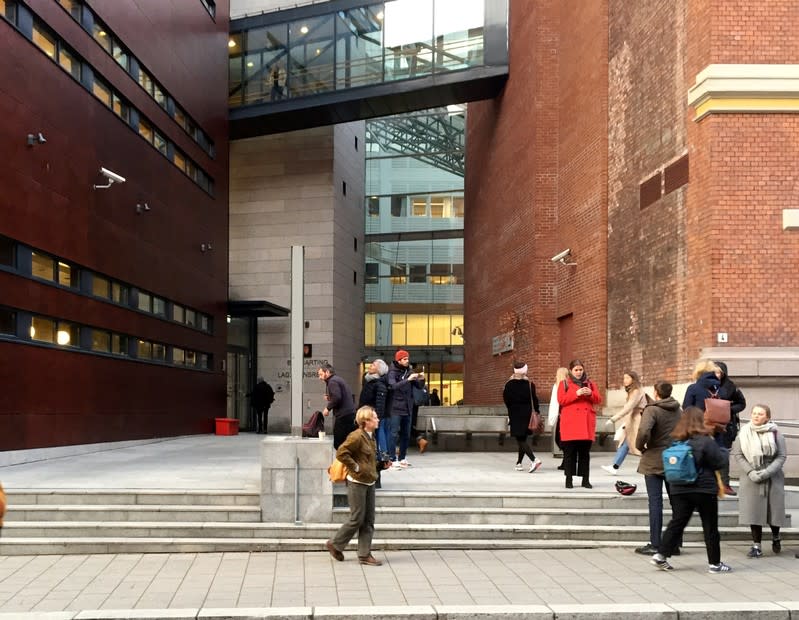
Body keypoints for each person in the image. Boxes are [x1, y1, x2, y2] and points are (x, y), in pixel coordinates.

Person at [650, 407, 731, 573]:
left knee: (677, 522)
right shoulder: (705, 440)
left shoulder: (675, 440)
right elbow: (719, 462)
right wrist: (722, 446)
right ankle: (714, 564)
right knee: (710, 526)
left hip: (679, 488)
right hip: (704, 488)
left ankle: (661, 555)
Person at [325, 406, 383, 566]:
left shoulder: (371, 436)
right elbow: (341, 452)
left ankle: (364, 554)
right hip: (357, 482)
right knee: (357, 518)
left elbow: (367, 460)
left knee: (368, 520)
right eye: (375, 418)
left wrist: (380, 466)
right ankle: (335, 543)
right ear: (366, 421)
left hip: (369, 481)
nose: (378, 420)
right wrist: (355, 467)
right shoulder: (356, 436)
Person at [731, 404, 786, 558]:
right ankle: (756, 545)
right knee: (754, 511)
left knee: (773, 511)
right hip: (751, 477)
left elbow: (781, 456)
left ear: (767, 417)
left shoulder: (776, 433)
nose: (756, 416)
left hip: (772, 476)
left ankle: (776, 537)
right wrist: (751, 472)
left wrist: (767, 472)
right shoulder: (743, 433)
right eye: (754, 413)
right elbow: (738, 454)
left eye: (760, 414)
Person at [634, 381, 683, 555]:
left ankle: (656, 543)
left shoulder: (652, 409)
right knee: (676, 502)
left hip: (654, 459)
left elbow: (643, 432)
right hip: (674, 460)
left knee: (655, 502)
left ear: (656, 393)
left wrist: (640, 447)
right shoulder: (678, 410)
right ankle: (675, 543)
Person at [557, 359, 601, 489]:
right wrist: (576, 393)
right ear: (571, 371)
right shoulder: (564, 383)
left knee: (584, 454)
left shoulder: (590, 384)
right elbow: (561, 400)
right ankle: (569, 479)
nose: (578, 372)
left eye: (580, 369)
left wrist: (590, 394)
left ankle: (585, 479)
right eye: (576, 370)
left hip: (586, 423)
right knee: (569, 454)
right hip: (570, 424)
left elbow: (598, 399)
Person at [602, 370, 647, 475]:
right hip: (633, 420)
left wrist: (613, 419)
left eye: (627, 378)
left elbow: (628, 407)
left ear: (633, 379)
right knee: (626, 443)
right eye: (624, 378)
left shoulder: (636, 391)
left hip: (637, 420)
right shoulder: (633, 390)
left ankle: (651, 466)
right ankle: (615, 466)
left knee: (639, 445)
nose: (625, 380)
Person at [386, 349, 425, 468]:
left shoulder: (409, 370)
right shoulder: (392, 372)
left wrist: (422, 379)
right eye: (404, 359)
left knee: (406, 434)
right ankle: (392, 459)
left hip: (408, 407)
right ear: (399, 360)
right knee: (393, 434)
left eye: (408, 358)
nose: (407, 361)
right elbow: (393, 386)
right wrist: (407, 379)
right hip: (395, 407)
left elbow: (418, 386)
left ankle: (402, 457)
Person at [503, 361, 543, 473]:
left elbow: (506, 401)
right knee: (523, 439)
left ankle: (534, 459)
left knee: (520, 439)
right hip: (528, 414)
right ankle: (519, 463)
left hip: (515, 414)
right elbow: (535, 400)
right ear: (525, 371)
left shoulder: (508, 385)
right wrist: (537, 412)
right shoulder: (530, 384)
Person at [715, 361, 747, 495]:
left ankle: (724, 484)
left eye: (718, 372)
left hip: (725, 425)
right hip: (707, 425)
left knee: (723, 454)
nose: (716, 375)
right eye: (713, 372)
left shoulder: (730, 387)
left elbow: (741, 403)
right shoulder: (703, 386)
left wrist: (728, 409)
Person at [358, 359, 390, 462]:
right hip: (367, 414)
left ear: (379, 370)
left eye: (373, 365)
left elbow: (380, 404)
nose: (370, 366)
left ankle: (383, 455)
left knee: (379, 433)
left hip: (374, 415)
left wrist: (377, 418)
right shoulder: (368, 381)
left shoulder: (380, 384)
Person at [318, 363, 356, 449]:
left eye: (320, 374)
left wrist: (327, 408)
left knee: (339, 444)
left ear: (327, 372)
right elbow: (339, 396)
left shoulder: (332, 381)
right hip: (349, 414)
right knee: (346, 443)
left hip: (344, 416)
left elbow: (337, 397)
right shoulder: (337, 379)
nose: (319, 377)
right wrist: (330, 398)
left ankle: (342, 461)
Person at [547, 367, 569, 470]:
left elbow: (554, 403)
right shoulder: (559, 386)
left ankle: (567, 461)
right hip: (562, 415)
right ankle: (566, 461)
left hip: (563, 415)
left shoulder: (560, 386)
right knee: (561, 439)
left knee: (561, 439)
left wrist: (552, 417)